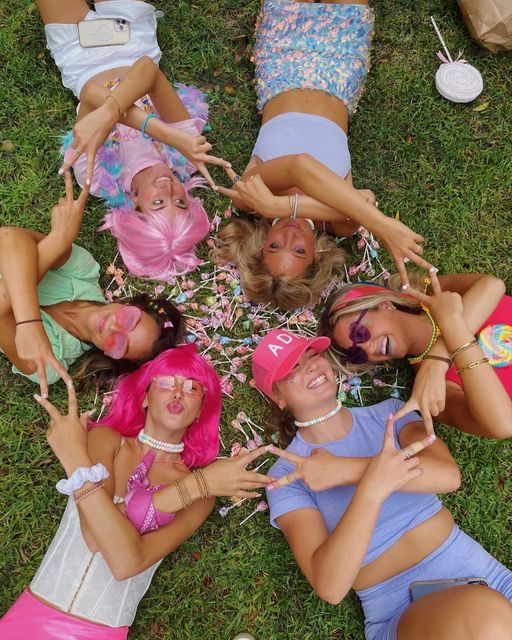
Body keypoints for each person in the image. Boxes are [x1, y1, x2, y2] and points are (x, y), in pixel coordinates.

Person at [251, 329, 512, 640]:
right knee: (482, 614)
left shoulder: (390, 412)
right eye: (291, 369)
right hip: (399, 613)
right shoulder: (287, 476)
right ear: (277, 397)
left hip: (488, 579)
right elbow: (331, 586)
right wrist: (372, 490)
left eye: (313, 355)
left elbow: (447, 476)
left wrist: (348, 471)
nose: (309, 366)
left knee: (487, 615)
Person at [0, 345, 272, 638]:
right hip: (31, 615)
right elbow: (94, 537)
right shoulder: (106, 440)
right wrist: (194, 485)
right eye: (166, 383)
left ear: (200, 411)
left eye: (192, 387)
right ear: (144, 397)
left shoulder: (202, 498)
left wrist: (74, 460)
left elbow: (127, 561)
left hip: (100, 632)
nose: (178, 392)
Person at [211, 0, 432, 310]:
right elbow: (365, 199)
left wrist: (277, 204)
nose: (288, 236)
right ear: (316, 255)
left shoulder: (249, 197)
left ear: (260, 247)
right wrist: (362, 217)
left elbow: (300, 165)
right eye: (299, 252)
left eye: (275, 246)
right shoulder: (338, 226)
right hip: (341, 66)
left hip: (282, 57)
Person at [36, 0, 229, 280]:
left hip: (78, 53)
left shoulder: (97, 177)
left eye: (159, 204)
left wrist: (162, 132)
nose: (170, 191)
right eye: (181, 202)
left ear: (136, 209)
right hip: (132, 37)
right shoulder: (189, 156)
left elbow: (91, 91)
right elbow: (147, 69)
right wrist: (166, 133)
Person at [0, 175, 183, 398]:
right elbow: (8, 238)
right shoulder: (84, 271)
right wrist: (28, 325)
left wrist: (57, 241)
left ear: (110, 356)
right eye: (129, 320)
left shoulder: (50, 364)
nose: (114, 328)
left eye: (120, 344)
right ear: (131, 303)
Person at [317, 269, 512, 438]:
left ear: (384, 305)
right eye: (357, 354)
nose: (368, 348)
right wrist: (448, 332)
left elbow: (492, 285)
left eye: (359, 333)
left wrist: (437, 361)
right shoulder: (431, 390)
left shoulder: (433, 295)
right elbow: (504, 425)